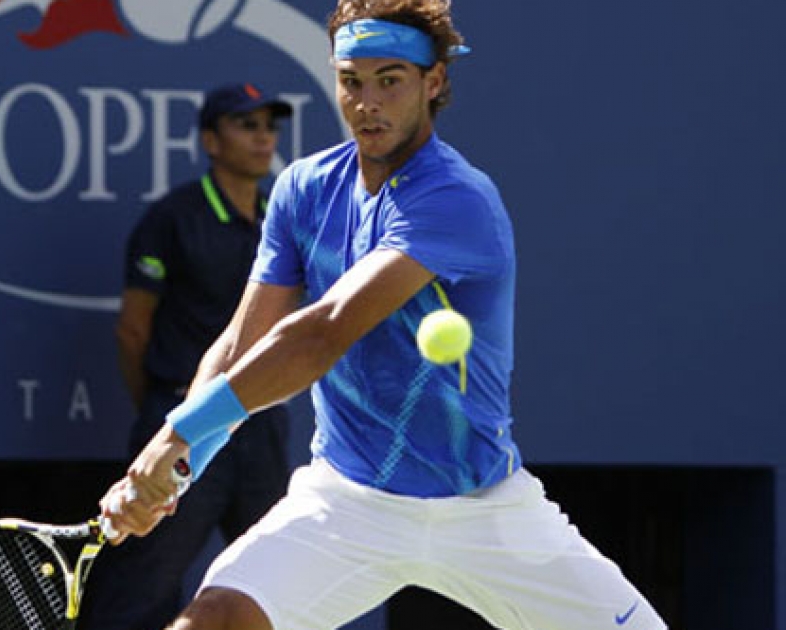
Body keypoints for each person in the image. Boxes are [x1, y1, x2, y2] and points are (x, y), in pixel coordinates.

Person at [101, 1, 668, 629]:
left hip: (484, 507)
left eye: (390, 80)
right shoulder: (302, 190)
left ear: (434, 83)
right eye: (352, 81)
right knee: (217, 619)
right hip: (345, 502)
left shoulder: (455, 196)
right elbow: (241, 342)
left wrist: (178, 434)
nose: (367, 102)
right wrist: (179, 463)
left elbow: (320, 333)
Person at [77, 83, 294, 630]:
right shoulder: (172, 219)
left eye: (269, 125)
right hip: (185, 424)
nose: (263, 136)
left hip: (261, 430)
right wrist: (166, 416)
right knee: (142, 591)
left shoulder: (282, 220)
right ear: (210, 141)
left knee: (280, 589)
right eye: (246, 124)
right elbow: (133, 330)